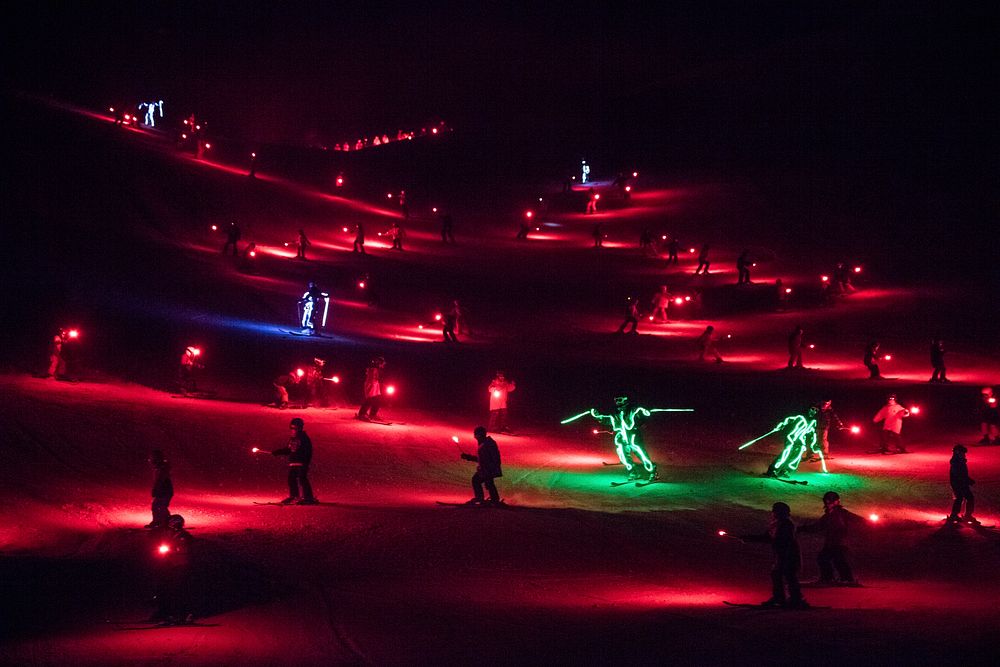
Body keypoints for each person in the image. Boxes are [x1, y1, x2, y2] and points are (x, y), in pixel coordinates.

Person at [741, 502, 808, 608]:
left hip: (789, 554)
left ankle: (796, 598)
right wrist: (748, 538)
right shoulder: (776, 524)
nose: (773, 513)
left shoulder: (787, 524)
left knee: (788, 575)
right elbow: (767, 537)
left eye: (775, 511)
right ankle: (781, 597)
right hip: (781, 554)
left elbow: (785, 540)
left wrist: (783, 554)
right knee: (777, 575)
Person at [798, 492, 858, 585]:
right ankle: (832, 578)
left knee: (837, 559)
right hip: (832, 542)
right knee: (825, 558)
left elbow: (854, 519)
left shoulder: (841, 513)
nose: (828, 504)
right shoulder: (828, 515)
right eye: (827, 502)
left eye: (831, 502)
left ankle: (845, 579)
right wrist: (803, 528)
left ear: (837, 502)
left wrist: (871, 522)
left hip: (839, 542)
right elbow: (818, 526)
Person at [150, 514, 195, 625]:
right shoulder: (169, 534)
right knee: (166, 588)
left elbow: (188, 546)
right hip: (170, 566)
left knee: (179, 590)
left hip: (181, 567)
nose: (175, 526)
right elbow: (162, 544)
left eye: (177, 524)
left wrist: (177, 549)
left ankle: (182, 614)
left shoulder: (184, 536)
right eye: (173, 524)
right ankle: (166, 613)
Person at [271, 417, 318, 504]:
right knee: (291, 478)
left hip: (301, 463)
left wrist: (305, 463)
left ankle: (308, 498)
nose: (293, 430)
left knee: (302, 478)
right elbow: (289, 450)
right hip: (293, 463)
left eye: (295, 428)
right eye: (291, 428)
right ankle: (294, 496)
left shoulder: (304, 438)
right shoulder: (293, 439)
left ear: (300, 428)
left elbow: (308, 451)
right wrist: (278, 452)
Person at [460, 426, 503, 504]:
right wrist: (468, 457)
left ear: (481, 435)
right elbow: (481, 459)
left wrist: (491, 468)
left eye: (476, 435)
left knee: (479, 480)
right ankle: (492, 499)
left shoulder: (489, 444)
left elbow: (494, 457)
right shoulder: (483, 443)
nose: (475, 437)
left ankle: (488, 499)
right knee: (485, 482)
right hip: (486, 468)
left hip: (489, 468)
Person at [947, 445, 976, 523]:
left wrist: (968, 480)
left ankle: (964, 515)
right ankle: (956, 515)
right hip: (958, 484)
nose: (964, 455)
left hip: (962, 483)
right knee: (962, 498)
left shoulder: (960, 461)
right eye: (962, 453)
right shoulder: (956, 462)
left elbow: (963, 474)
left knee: (966, 497)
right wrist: (967, 480)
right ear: (957, 452)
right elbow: (958, 474)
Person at [146, 450, 173, 529]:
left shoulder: (162, 468)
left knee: (159, 505)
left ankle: (163, 521)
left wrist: (156, 489)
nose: (150, 460)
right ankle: (164, 521)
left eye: (152, 458)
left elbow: (160, 480)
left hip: (165, 490)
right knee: (159, 506)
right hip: (164, 490)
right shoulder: (159, 467)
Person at [357, 356, 385, 421]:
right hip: (371, 384)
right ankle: (362, 414)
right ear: (379, 363)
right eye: (382, 363)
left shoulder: (376, 369)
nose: (383, 364)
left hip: (375, 385)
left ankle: (372, 414)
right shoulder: (372, 369)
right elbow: (372, 377)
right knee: (370, 399)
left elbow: (377, 378)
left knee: (378, 400)